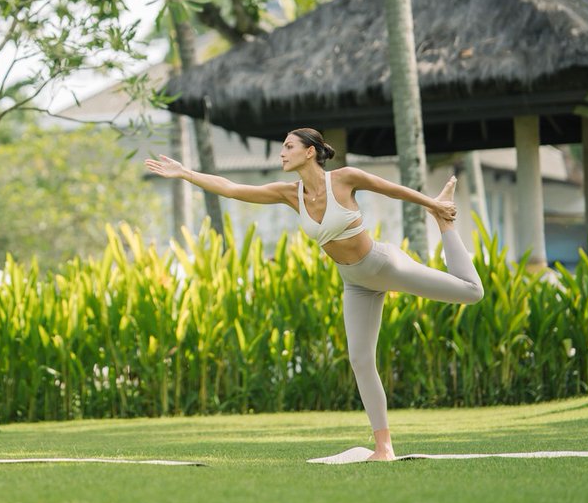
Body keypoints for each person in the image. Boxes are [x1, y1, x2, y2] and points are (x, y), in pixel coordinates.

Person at [145, 128, 483, 461]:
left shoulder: (345, 179)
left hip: (384, 264)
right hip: (355, 281)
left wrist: (434, 206)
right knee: (360, 360)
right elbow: (233, 188)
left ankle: (447, 228)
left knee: (471, 293)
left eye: (289, 146)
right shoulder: (289, 194)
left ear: (310, 151)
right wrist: (186, 173)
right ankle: (384, 447)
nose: (282, 153)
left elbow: (392, 190)